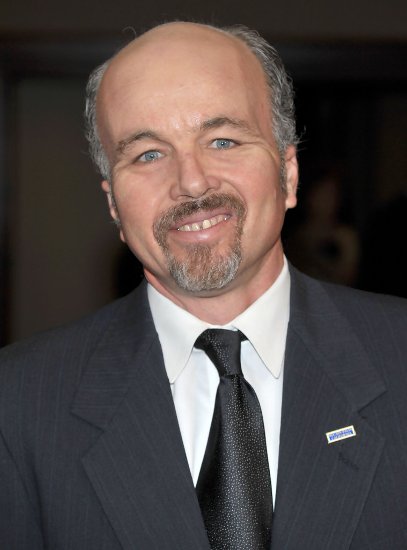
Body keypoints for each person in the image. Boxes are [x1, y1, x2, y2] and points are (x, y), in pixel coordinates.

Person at [0, 21, 406, 550]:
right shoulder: (19, 403)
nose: (191, 182)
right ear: (113, 205)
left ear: (288, 173)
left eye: (223, 140)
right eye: (148, 154)